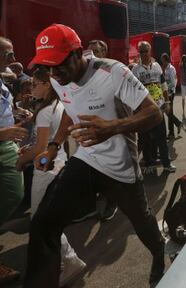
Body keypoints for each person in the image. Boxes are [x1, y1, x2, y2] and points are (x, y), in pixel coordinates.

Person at [24, 24, 165, 288]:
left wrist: (113, 127)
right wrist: (54, 145)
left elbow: (154, 113)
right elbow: (69, 107)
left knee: (142, 223)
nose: (54, 74)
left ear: (78, 53)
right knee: (43, 222)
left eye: (59, 65)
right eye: (49, 68)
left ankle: (159, 253)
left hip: (121, 166)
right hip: (87, 160)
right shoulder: (58, 77)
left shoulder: (113, 72)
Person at [15, 67, 86, 286]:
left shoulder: (46, 111)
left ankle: (69, 261)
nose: (31, 87)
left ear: (47, 85)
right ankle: (66, 261)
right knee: (45, 221)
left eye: (35, 84)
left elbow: (40, 148)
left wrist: (20, 161)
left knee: (40, 221)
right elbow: (48, 143)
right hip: (56, 163)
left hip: (45, 170)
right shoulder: (58, 106)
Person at [0, 36, 30, 285]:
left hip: (7, 144)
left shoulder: (2, 80)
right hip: (2, 144)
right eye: (7, 54)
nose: (13, 59)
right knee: (13, 193)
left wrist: (16, 111)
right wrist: (4, 133)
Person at [132, 41, 176, 174]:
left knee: (161, 137)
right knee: (145, 138)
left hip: (159, 108)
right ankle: (149, 164)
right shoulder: (135, 70)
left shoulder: (157, 66)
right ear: (139, 53)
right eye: (141, 51)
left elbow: (163, 86)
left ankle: (166, 163)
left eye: (146, 50)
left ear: (150, 51)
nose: (144, 54)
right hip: (144, 110)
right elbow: (133, 91)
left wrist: (167, 103)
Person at [86, 39, 118, 222]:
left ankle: (112, 202)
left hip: (111, 127)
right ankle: (95, 200)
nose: (92, 55)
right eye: (90, 52)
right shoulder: (85, 74)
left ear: (104, 52)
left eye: (96, 51)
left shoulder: (112, 71)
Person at [161, 53, 182, 139]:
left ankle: (171, 133)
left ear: (166, 60)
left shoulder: (171, 69)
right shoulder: (165, 69)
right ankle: (177, 124)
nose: (162, 62)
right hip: (166, 93)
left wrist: (167, 89)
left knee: (168, 112)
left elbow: (173, 82)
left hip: (170, 93)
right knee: (168, 113)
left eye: (162, 60)